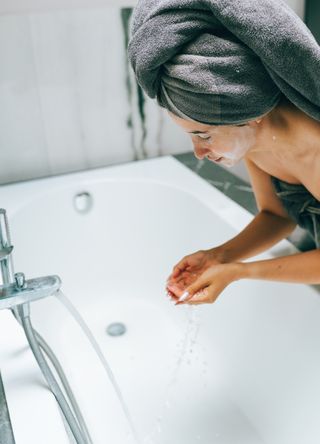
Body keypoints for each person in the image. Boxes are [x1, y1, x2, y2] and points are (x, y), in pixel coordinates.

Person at [127, 0, 320, 306]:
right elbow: (276, 215)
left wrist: (238, 272)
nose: (199, 152)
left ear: (248, 111)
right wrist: (217, 256)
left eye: (203, 135)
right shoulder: (256, 140)